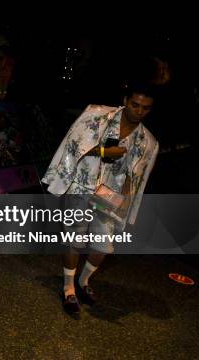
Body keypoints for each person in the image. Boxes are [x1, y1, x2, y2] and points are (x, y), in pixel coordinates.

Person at [41, 82, 159, 316]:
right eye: (135, 104)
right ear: (126, 100)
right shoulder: (97, 115)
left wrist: (126, 198)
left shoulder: (148, 142)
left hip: (109, 196)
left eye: (145, 108)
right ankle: (67, 288)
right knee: (74, 238)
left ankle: (83, 282)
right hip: (83, 186)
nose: (139, 111)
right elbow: (73, 146)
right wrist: (104, 152)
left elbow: (136, 176)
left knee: (103, 247)